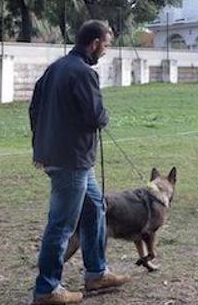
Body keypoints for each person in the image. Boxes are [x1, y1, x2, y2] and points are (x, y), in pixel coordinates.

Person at [29, 20, 130, 305]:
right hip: (71, 160)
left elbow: (34, 108)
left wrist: (40, 147)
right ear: (95, 43)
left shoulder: (56, 68)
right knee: (61, 225)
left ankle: (96, 272)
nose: (106, 51)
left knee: (96, 208)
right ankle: (47, 289)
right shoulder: (84, 73)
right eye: (106, 45)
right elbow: (96, 116)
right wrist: (105, 116)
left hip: (66, 158)